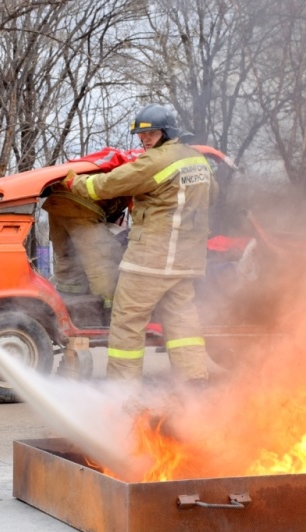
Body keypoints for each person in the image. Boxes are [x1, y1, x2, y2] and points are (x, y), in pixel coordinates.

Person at [62, 103, 216, 382]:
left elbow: (105, 186)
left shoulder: (155, 161)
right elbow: (210, 196)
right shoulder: (198, 160)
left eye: (151, 134)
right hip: (185, 263)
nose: (144, 140)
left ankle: (123, 391)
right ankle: (195, 382)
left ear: (167, 132)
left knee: (127, 321)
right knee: (182, 322)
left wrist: (75, 183)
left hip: (150, 261)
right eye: (140, 136)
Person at [42, 182, 129, 319]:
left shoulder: (108, 164)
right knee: (102, 264)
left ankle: (67, 308)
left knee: (68, 259)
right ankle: (105, 315)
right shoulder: (136, 178)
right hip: (81, 206)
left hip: (56, 202)